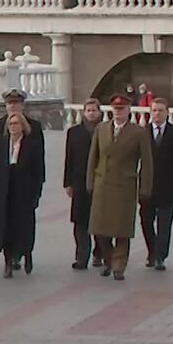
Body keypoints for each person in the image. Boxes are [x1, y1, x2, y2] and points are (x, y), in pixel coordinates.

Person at [87, 94, 154, 280]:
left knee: (122, 230)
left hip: (124, 186)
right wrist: (90, 182)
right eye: (115, 109)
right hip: (103, 185)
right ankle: (108, 259)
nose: (118, 113)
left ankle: (119, 265)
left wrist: (145, 188)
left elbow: (147, 163)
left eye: (122, 109)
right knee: (100, 228)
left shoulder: (138, 132)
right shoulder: (101, 129)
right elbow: (94, 157)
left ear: (128, 110)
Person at [0, 112, 45, 277]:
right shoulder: (0, 144)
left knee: (23, 227)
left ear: (23, 126)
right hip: (5, 191)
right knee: (6, 227)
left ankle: (25, 254)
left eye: (16, 123)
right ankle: (8, 260)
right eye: (11, 124)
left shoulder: (32, 145)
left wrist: (36, 194)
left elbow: (39, 172)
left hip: (24, 191)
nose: (13, 127)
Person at [139, 98, 173, 270]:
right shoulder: (143, 132)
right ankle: (152, 251)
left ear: (167, 112)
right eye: (154, 110)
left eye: (160, 110)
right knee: (146, 221)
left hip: (168, 185)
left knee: (164, 224)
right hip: (146, 186)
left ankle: (160, 255)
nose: (157, 114)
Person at [65, 98, 103, 270]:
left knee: (100, 220)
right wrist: (68, 182)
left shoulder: (105, 130)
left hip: (100, 181)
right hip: (79, 182)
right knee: (80, 222)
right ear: (84, 112)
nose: (91, 113)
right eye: (88, 110)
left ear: (99, 112)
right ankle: (82, 257)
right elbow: (69, 158)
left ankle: (99, 253)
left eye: (94, 110)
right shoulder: (74, 132)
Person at [0, 89, 43, 154]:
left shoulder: (34, 126)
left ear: (23, 105)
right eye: (9, 103)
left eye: (15, 103)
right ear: (6, 106)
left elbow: (39, 153)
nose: (12, 106)